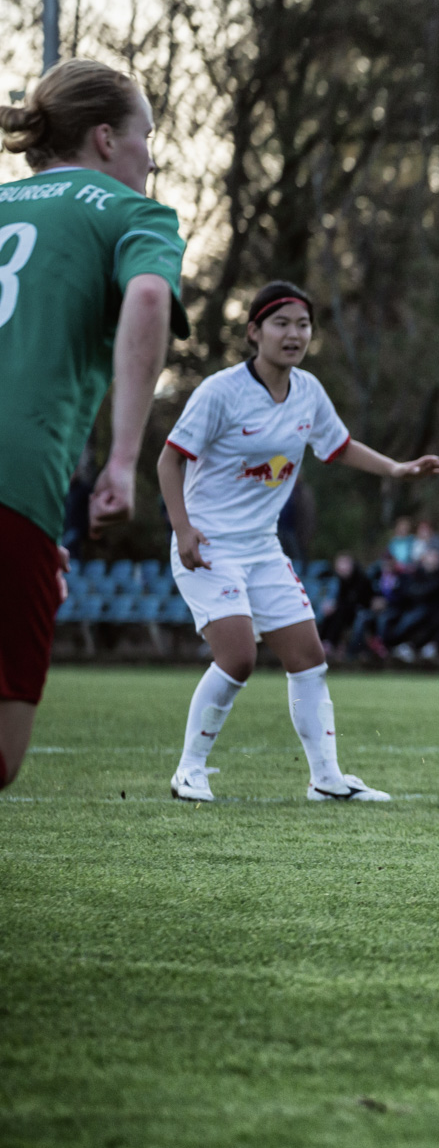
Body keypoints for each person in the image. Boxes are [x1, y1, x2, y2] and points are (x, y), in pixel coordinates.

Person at [157, 280, 439, 801]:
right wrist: (182, 528)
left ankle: (326, 780)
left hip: (262, 548)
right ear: (254, 332)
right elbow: (169, 458)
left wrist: (397, 469)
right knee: (239, 657)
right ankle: (188, 771)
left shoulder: (308, 390)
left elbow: (337, 446)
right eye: (281, 323)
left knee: (309, 657)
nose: (294, 334)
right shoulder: (220, 391)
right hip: (209, 545)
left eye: (303, 325)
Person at [0, 60, 188, 790]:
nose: (150, 155)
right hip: (15, 483)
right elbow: (147, 300)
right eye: (147, 136)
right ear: (107, 139)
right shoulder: (130, 213)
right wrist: (121, 461)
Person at [383, 546, 439, 659]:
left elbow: (424, 591)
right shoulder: (417, 573)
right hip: (414, 607)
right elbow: (411, 591)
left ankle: (412, 646)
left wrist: (417, 592)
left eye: (436, 557)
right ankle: (392, 644)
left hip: (433, 611)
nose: (434, 560)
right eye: (431, 557)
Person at [318, 552, 376, 655]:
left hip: (359, 611)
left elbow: (362, 600)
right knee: (329, 614)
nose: (343, 568)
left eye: (345, 564)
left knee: (339, 612)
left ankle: (338, 646)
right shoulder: (338, 581)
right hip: (343, 612)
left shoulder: (361, 579)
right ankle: (324, 642)